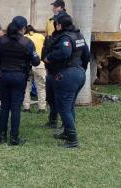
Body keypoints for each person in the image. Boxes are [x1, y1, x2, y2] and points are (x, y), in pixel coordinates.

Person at [0, 16, 40, 146]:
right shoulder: (27, 42)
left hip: (4, 76)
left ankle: (2, 135)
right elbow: (36, 61)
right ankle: (14, 138)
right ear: (23, 28)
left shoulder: (1, 41)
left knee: (4, 106)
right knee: (16, 108)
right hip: (19, 77)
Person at [44, 12, 90, 148]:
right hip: (78, 74)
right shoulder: (78, 35)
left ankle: (72, 140)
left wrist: (49, 58)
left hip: (67, 75)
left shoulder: (65, 38)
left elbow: (65, 52)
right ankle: (66, 132)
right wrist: (81, 69)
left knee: (63, 108)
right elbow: (86, 56)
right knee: (68, 107)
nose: (54, 25)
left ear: (59, 25)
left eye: (55, 23)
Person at [42, 0, 67, 128]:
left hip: (61, 67)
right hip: (51, 65)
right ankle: (52, 120)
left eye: (56, 6)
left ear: (62, 7)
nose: (54, 8)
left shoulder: (67, 22)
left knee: (61, 97)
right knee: (50, 95)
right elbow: (46, 37)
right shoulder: (50, 20)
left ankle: (64, 123)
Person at [23, 25, 46, 113]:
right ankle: (42, 108)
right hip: (39, 64)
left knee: (26, 88)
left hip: (27, 65)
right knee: (41, 87)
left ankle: (26, 108)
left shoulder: (23, 37)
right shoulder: (41, 36)